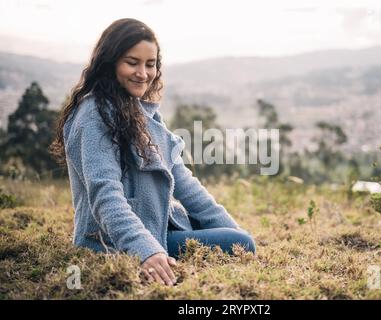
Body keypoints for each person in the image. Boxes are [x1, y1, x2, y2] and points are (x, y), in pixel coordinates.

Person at [50, 18, 256, 287]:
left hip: (158, 224)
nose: (143, 73)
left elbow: (184, 183)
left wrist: (232, 228)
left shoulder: (143, 113)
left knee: (236, 237)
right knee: (241, 243)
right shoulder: (93, 114)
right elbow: (105, 195)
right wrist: (146, 250)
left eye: (151, 64)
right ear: (110, 62)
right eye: (132, 62)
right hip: (110, 239)